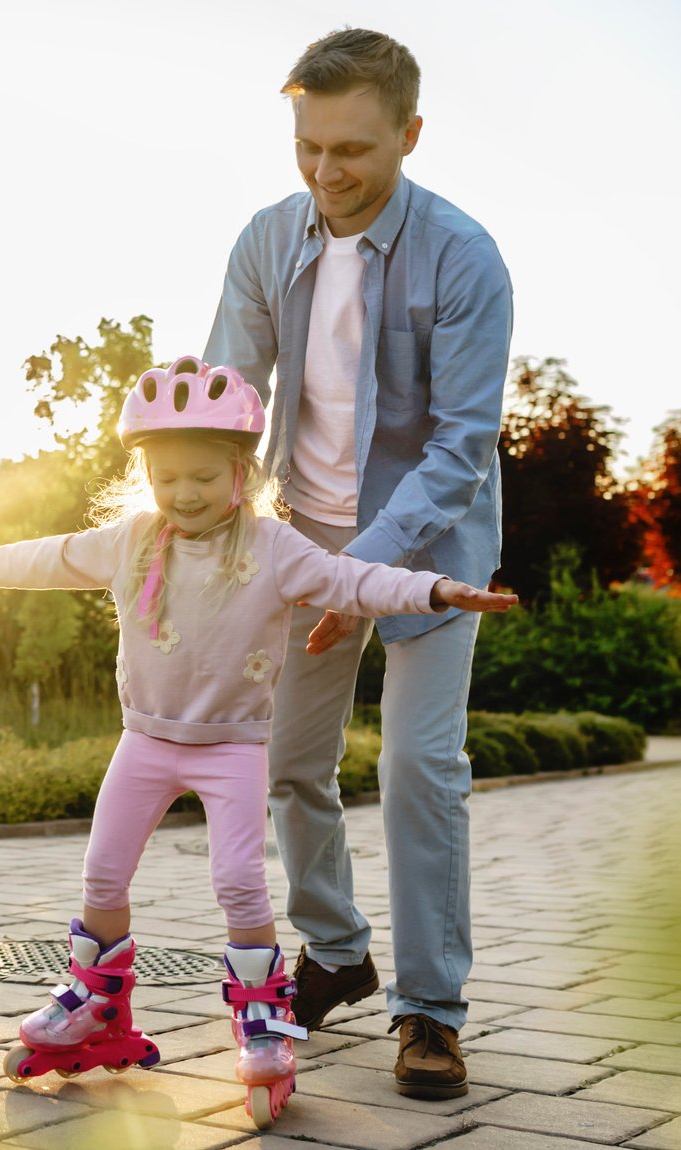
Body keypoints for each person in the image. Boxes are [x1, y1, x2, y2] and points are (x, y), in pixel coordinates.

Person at [0, 355, 515, 1128]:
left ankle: (263, 1022)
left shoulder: (273, 548)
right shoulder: (131, 541)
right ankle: (97, 1006)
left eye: (201, 476)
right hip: (145, 742)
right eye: (166, 479)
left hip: (232, 747)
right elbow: (45, 556)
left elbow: (353, 581)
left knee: (238, 883)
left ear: (241, 472)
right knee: (102, 876)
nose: (183, 494)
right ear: (146, 478)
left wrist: (433, 588)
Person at [203, 27, 514, 1098]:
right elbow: (226, 404)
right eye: (307, 148)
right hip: (302, 536)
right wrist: (201, 529)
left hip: (432, 545)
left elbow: (458, 448)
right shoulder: (264, 241)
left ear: (407, 136)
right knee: (285, 762)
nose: (327, 175)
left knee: (416, 771)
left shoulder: (462, 256)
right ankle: (333, 951)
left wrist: (361, 576)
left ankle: (427, 1012)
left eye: (353, 151)